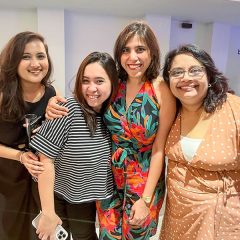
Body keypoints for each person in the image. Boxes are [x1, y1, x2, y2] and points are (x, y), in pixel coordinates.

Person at [46, 21, 176, 239]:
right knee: (108, 233)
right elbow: (88, 100)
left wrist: (146, 199)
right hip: (107, 176)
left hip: (143, 178)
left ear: (152, 53)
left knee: (136, 234)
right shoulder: (116, 84)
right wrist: (53, 103)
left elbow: (159, 149)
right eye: (126, 50)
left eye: (140, 49)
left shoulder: (161, 89)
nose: (132, 57)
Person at [29, 52, 119, 240]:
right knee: (55, 236)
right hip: (54, 192)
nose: (91, 88)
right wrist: (48, 212)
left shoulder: (113, 116)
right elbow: (45, 160)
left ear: (113, 82)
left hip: (85, 197)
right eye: (85, 81)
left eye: (99, 81)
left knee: (84, 235)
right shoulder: (68, 110)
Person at [160, 44, 240, 239]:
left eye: (195, 70)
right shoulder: (170, 111)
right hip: (177, 217)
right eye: (177, 72)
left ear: (209, 75)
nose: (186, 78)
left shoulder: (234, 109)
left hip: (220, 219)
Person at [0, 31, 57, 240]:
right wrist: (20, 156)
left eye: (40, 56)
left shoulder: (51, 93)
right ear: (13, 60)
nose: (35, 63)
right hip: (6, 178)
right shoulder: (3, 94)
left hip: (36, 178)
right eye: (26, 57)